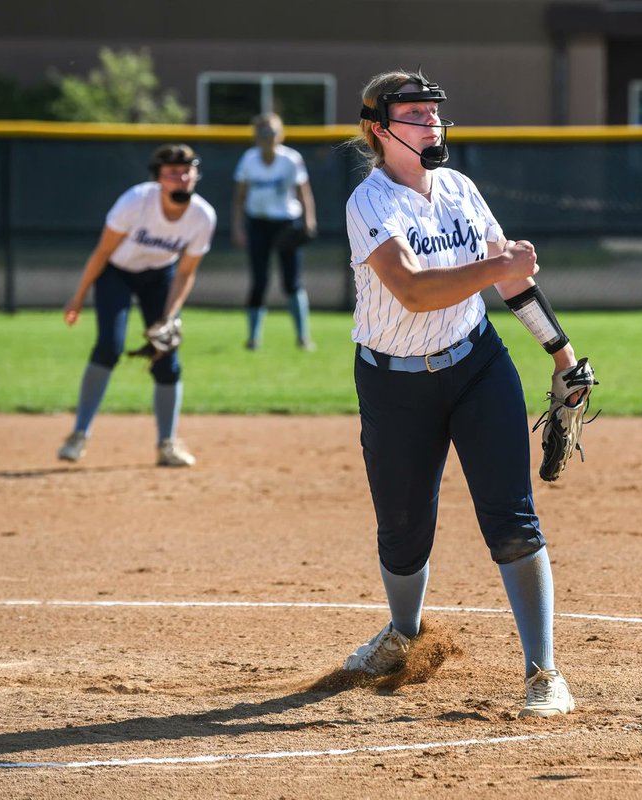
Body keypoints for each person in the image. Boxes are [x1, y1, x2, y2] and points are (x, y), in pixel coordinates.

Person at [340, 70, 595, 718]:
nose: (432, 124)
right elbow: (416, 290)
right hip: (393, 383)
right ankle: (402, 635)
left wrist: (562, 355)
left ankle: (544, 673)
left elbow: (512, 285)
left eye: (434, 114)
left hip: (477, 366)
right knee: (402, 533)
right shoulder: (370, 203)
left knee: (512, 518)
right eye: (416, 115)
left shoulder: (459, 189)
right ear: (379, 129)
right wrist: (498, 266)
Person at [58, 144, 216, 467]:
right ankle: (78, 435)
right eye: (173, 172)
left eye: (188, 171)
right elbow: (102, 253)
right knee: (108, 347)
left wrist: (170, 317)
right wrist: (78, 297)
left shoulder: (203, 216)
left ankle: (167, 443)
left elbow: (185, 272)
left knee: (166, 356)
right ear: (159, 178)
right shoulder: (136, 202)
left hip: (159, 277)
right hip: (117, 273)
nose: (182, 178)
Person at [232, 113, 318, 351]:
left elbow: (304, 192)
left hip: (286, 224)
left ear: (280, 135)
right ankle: (253, 338)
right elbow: (239, 197)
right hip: (258, 224)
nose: (267, 138)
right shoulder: (249, 159)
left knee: (292, 282)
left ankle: (303, 337)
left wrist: (309, 222)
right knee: (259, 281)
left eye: (272, 133)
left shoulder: (290, 159)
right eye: (263, 133)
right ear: (256, 136)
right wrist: (239, 227)